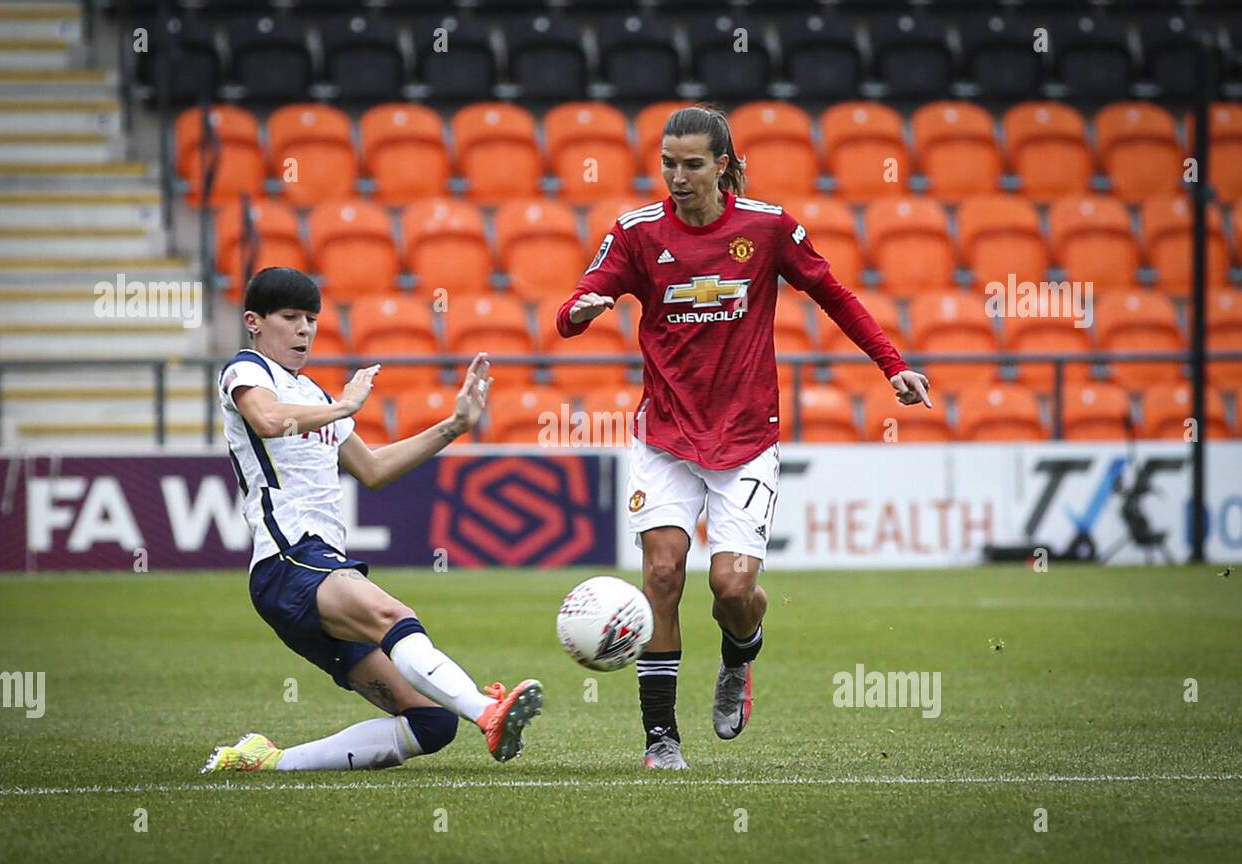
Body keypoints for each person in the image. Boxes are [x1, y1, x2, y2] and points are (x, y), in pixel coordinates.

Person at [554, 105, 931, 770]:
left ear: (722, 165)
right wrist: (582, 311)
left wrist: (893, 365)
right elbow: (577, 303)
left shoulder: (768, 228)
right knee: (663, 575)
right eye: (668, 162)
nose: (676, 175)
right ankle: (661, 739)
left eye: (691, 163)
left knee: (730, 588)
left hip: (747, 439)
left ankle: (740, 655)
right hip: (665, 437)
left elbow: (836, 295)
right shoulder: (638, 233)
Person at [203, 266, 543, 774]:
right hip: (290, 559)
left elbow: (374, 469)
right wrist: (345, 406)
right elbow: (269, 421)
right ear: (254, 321)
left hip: (315, 570)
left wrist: (453, 426)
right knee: (392, 617)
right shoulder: (246, 371)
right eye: (291, 317)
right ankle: (487, 711)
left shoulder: (316, 396)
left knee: (430, 721)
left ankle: (267, 762)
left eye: (311, 319)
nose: (304, 330)